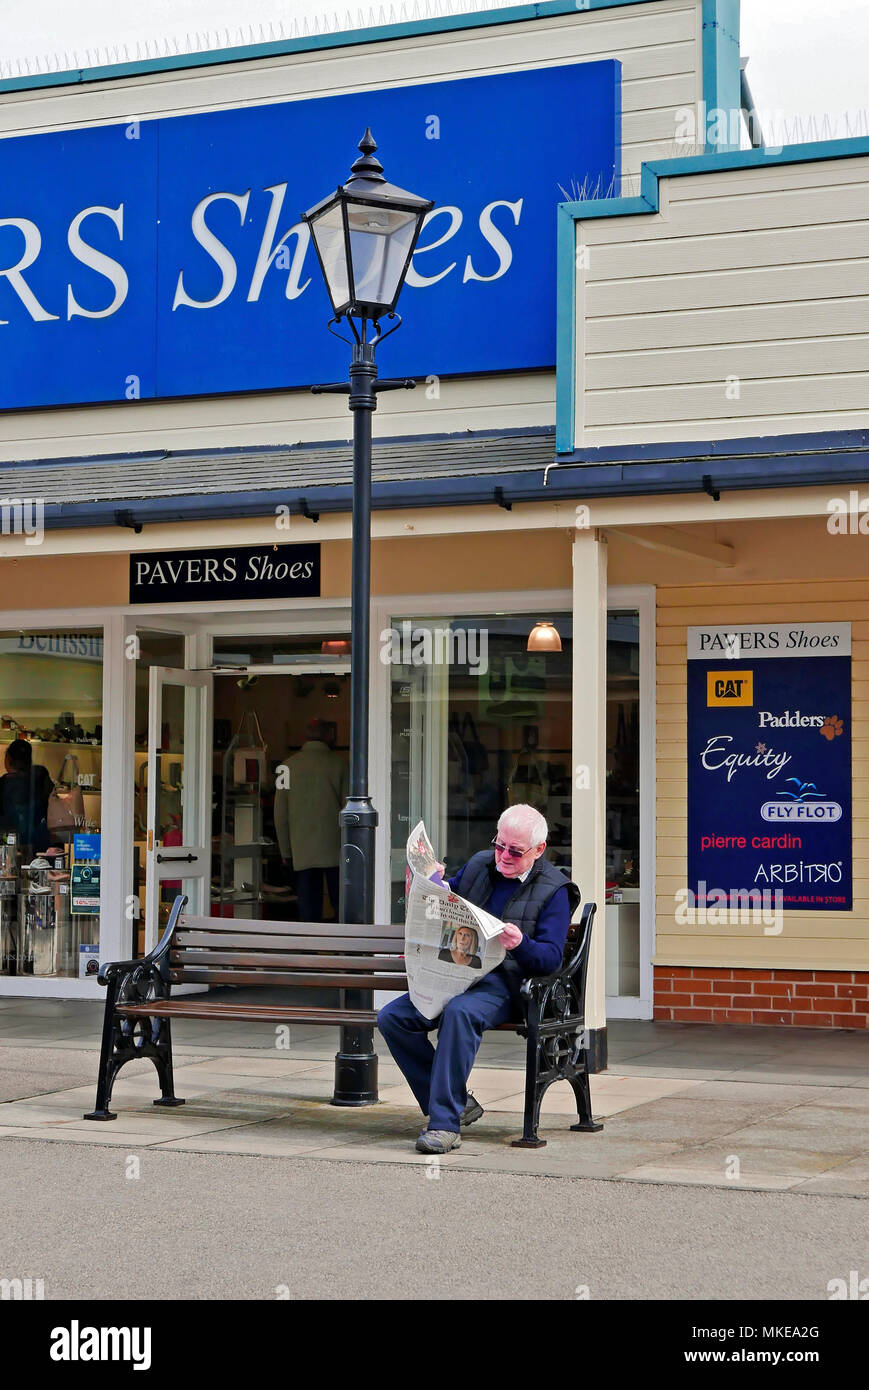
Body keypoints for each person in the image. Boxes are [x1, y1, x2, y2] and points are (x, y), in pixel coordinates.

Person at [378, 803, 580, 1154]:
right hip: (457, 972)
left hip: (507, 983)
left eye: (514, 852)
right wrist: (433, 882)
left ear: (539, 850)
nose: (503, 856)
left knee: (460, 1011)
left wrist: (521, 943)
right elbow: (445, 902)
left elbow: (550, 959)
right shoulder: (479, 864)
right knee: (392, 1017)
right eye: (500, 845)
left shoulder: (555, 890)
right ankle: (456, 1102)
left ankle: (444, 1124)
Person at [274, 717, 348, 923]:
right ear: (328, 736)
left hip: (301, 848)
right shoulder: (340, 765)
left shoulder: (286, 767)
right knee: (340, 903)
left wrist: (285, 852)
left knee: (308, 906)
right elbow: (348, 809)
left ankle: (310, 949)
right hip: (335, 847)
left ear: (304, 737)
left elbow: (280, 815)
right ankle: (342, 948)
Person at [0, 739, 53, 854]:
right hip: (40, 846)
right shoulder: (41, 776)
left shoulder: (4, 783)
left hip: (9, 846)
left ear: (8, 759)